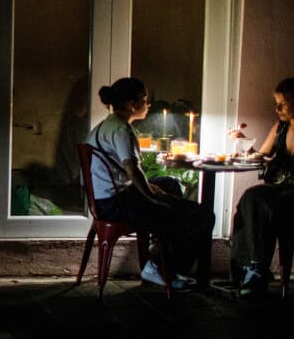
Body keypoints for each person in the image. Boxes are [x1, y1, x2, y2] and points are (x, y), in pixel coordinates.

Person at [85, 77, 214, 290]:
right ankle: (160, 266)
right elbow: (132, 169)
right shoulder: (122, 130)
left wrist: (150, 188)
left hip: (106, 198)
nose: (148, 104)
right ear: (131, 104)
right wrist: (150, 195)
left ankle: (165, 246)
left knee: (170, 183)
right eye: (144, 99)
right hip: (117, 204)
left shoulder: (105, 125)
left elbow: (127, 173)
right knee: (202, 215)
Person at [230, 73, 294, 297]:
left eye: (281, 105)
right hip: (279, 187)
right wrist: (243, 141)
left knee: (267, 207)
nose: (277, 110)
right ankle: (251, 266)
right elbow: (261, 154)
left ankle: (256, 268)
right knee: (250, 198)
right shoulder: (280, 127)